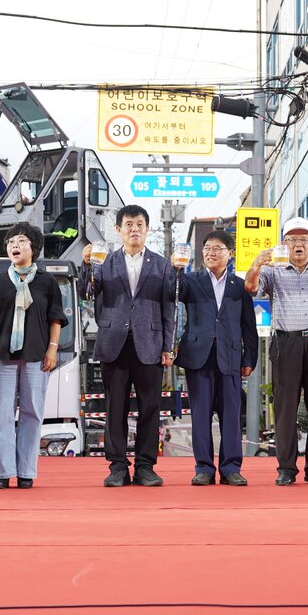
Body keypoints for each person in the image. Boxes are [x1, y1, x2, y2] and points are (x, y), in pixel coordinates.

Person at [245, 216, 308, 485]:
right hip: (285, 342)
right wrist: (256, 264)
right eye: (292, 240)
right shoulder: (273, 270)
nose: (298, 245)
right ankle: (286, 469)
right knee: (285, 408)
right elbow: (251, 287)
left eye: (303, 240)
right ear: (284, 244)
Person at [85, 205, 175, 487]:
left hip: (150, 343)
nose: (134, 228)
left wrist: (168, 346)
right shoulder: (105, 262)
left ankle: (146, 466)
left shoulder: (162, 265)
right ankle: (118, 466)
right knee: (115, 407)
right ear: (118, 230)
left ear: (147, 229)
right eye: (128, 224)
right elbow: (88, 293)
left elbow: (169, 308)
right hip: (114, 343)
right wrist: (88, 266)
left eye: (139, 223)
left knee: (151, 407)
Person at [0, 223, 67, 489]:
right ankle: (1, 471)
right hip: (3, 354)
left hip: (37, 354)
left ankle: (26, 470)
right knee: (1, 414)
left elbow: (56, 318)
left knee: (32, 413)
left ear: (34, 248)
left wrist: (52, 348)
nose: (15, 245)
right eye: (11, 241)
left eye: (21, 241)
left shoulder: (47, 281)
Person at [175, 230, 257, 486]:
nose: (211, 252)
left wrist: (249, 359)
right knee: (200, 415)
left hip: (230, 357)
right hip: (198, 356)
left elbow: (249, 327)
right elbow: (172, 293)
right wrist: (176, 269)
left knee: (231, 415)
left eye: (217, 248)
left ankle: (231, 468)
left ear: (229, 253)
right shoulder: (191, 281)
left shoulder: (240, 286)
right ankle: (204, 468)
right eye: (207, 247)